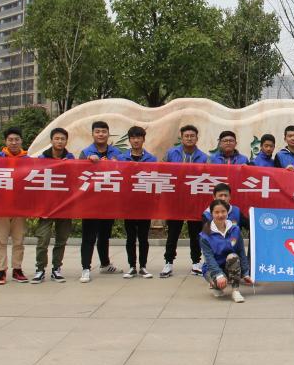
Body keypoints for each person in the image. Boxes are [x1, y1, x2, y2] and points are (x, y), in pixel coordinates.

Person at [78, 120, 124, 283]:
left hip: (109, 200)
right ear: (92, 134)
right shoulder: (85, 153)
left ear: (108, 134)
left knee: (104, 235)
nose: (101, 134)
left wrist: (116, 164)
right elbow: (78, 173)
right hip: (90, 201)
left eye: (104, 131)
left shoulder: (116, 153)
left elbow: (124, 172)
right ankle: (85, 268)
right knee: (89, 236)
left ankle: (105, 264)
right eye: (97, 131)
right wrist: (88, 162)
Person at [162, 124, 209, 278]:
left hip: (195, 201)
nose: (189, 138)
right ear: (181, 138)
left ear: (197, 138)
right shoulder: (171, 154)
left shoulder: (204, 157)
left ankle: (196, 263)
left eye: (192, 136)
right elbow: (162, 172)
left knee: (195, 234)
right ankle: (168, 262)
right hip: (176, 200)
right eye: (186, 136)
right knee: (173, 233)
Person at [0, 127, 30, 285]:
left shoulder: (28, 160)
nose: (14, 143)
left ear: (21, 141)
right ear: (5, 142)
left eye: (17, 139)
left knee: (19, 240)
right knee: (1, 240)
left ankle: (17, 269)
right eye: (10, 140)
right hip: (0, 207)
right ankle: (1, 271)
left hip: (19, 207)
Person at [32, 127, 75, 284]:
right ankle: (40, 269)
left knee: (61, 240)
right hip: (46, 207)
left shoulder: (71, 159)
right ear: (51, 140)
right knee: (42, 239)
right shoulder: (42, 159)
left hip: (64, 205)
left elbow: (75, 180)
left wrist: (69, 165)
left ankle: (56, 269)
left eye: (62, 139)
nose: (59, 141)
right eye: (57, 138)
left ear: (66, 141)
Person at [121, 126, 158, 280]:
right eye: (133, 138)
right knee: (130, 237)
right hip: (128, 203)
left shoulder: (152, 159)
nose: (136, 140)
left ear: (143, 139)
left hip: (144, 204)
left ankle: (143, 266)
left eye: (139, 137)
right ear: (129, 140)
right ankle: (131, 266)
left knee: (143, 237)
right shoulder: (122, 158)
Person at [200, 199, 252, 302]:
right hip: (212, 268)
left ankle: (235, 291)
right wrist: (218, 275)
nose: (220, 215)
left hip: (230, 265)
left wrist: (246, 273)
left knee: (233, 256)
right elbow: (209, 258)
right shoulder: (205, 234)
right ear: (211, 214)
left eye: (223, 211)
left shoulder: (235, 229)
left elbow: (241, 251)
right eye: (216, 212)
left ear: (227, 212)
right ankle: (215, 284)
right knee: (220, 285)